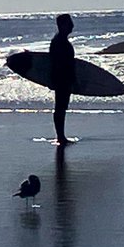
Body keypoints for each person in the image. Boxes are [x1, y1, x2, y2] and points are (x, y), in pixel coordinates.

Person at [49, 13, 75, 148]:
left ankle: (61, 135)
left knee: (61, 107)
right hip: (61, 78)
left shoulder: (60, 41)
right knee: (60, 107)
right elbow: (56, 63)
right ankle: (60, 136)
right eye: (69, 23)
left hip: (63, 78)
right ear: (62, 25)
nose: (72, 25)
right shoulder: (59, 42)